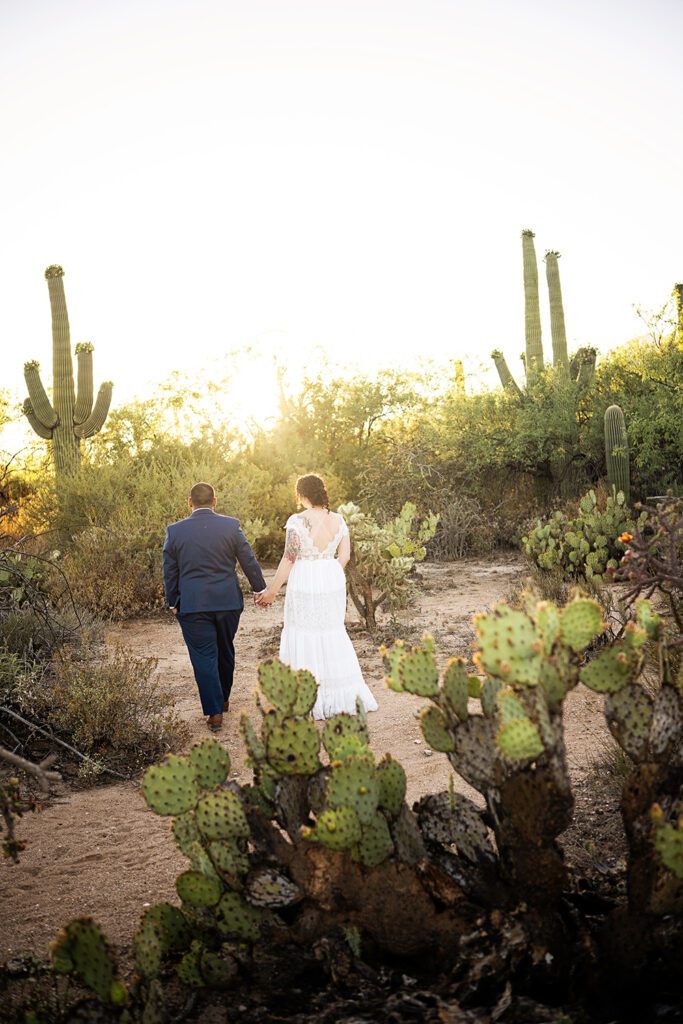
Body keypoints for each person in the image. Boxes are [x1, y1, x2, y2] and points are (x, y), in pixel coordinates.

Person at [256, 474, 378, 720]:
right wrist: (329, 572)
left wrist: (272, 590)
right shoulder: (339, 520)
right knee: (331, 631)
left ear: (302, 495)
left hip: (305, 578)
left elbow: (289, 558)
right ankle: (339, 694)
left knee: (303, 631)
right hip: (331, 577)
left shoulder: (297, 520)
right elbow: (344, 557)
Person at [163, 482, 266, 732]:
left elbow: (170, 570)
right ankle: (224, 698)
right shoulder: (231, 525)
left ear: (190, 502)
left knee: (204, 656)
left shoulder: (175, 531)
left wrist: (173, 601)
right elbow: (247, 558)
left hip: (193, 604)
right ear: (215, 501)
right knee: (224, 649)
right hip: (227, 601)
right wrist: (259, 588)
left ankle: (215, 711)